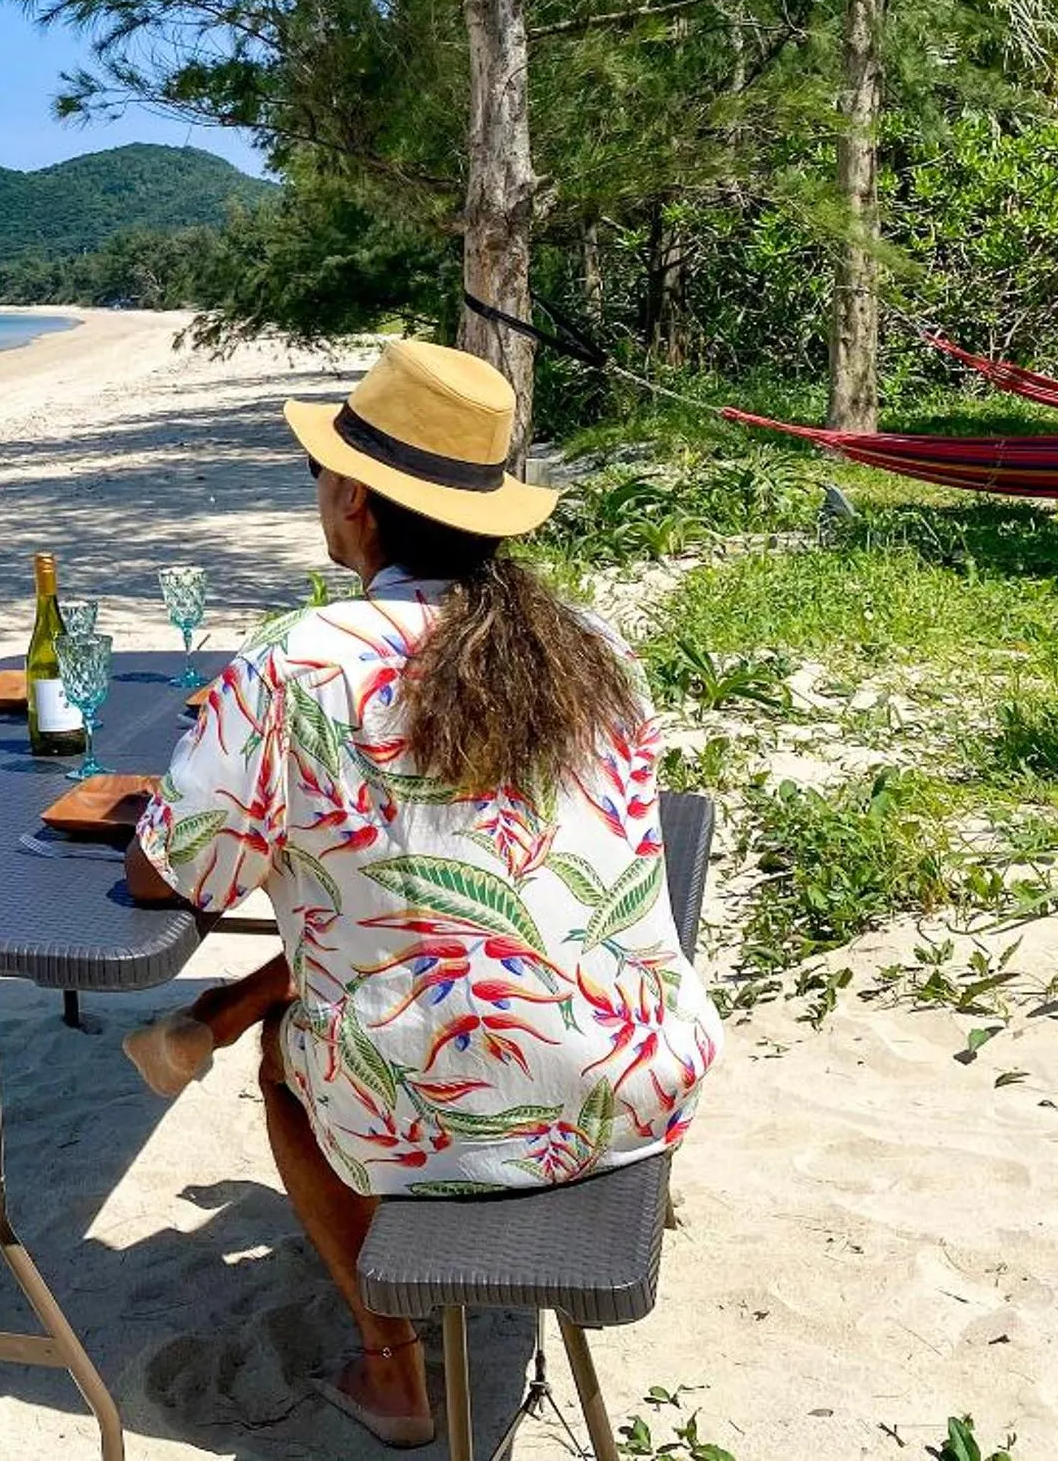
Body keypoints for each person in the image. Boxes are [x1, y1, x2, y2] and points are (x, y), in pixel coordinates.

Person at [122, 340, 722, 1450]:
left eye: (321, 475)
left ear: (353, 500)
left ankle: (392, 1367)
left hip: (462, 1105)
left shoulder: (302, 660)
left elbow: (173, 876)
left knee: (291, 1057)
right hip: (640, 1078)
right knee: (413, 926)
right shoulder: (588, 647)